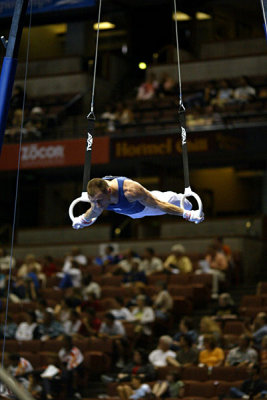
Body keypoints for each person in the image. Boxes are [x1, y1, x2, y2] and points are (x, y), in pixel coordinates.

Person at [72, 176, 204, 229]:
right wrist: (82, 219)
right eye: (94, 201)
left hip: (145, 207)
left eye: (100, 200)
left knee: (179, 202)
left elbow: (160, 205)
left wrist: (187, 214)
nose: (98, 205)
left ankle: (186, 206)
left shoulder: (131, 191)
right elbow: (93, 212)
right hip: (131, 213)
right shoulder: (96, 197)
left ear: (109, 190)